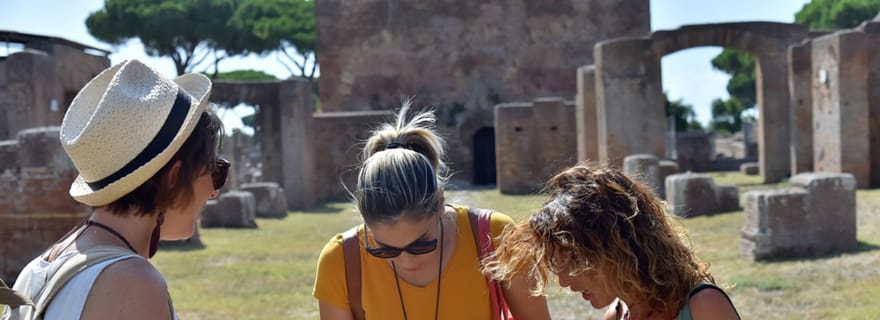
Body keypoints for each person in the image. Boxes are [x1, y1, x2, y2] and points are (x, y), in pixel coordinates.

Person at [2, 59, 226, 320]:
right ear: (174, 176)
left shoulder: (37, 269)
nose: (214, 192)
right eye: (215, 170)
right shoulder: (134, 284)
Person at [313, 102, 550, 320]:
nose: (406, 261)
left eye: (421, 245)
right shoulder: (342, 261)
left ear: (440, 202)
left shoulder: (497, 237)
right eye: (385, 250)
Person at [485, 164, 741, 320]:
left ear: (614, 249)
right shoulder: (617, 314)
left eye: (573, 262)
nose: (564, 281)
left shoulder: (703, 306)